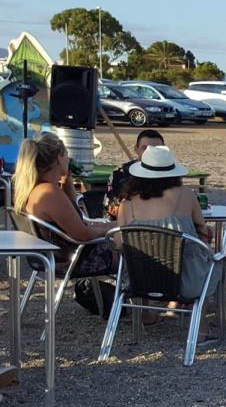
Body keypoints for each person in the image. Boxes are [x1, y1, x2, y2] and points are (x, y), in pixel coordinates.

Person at [116, 145, 215, 301]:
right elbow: (203, 232)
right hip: (187, 283)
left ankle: (147, 314)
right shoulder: (186, 194)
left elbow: (119, 244)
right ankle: (199, 323)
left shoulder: (127, 203)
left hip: (139, 281)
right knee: (214, 260)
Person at [12, 132, 114, 275]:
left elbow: (75, 216)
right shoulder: (49, 193)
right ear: (59, 158)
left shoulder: (34, 188)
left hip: (55, 257)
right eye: (66, 154)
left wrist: (67, 179)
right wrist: (114, 229)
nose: (69, 158)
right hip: (73, 260)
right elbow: (83, 234)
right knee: (132, 251)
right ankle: (126, 296)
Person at [106, 129, 165, 218]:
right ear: (136, 149)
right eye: (145, 148)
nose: (150, 153)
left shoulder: (170, 174)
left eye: (156, 149)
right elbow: (113, 210)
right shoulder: (121, 174)